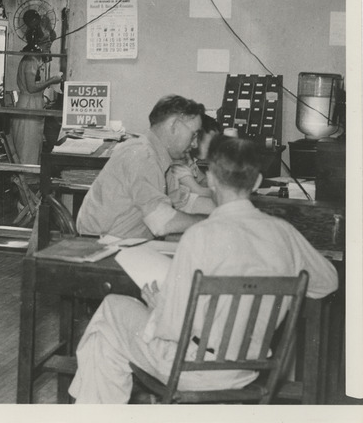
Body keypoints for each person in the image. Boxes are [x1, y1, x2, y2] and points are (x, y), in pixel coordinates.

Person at [69, 135, 339, 404]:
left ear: (210, 180)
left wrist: (159, 305)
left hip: (190, 367)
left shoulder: (199, 236)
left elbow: (172, 327)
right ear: (257, 182)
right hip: (246, 369)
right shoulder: (284, 233)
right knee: (105, 339)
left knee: (110, 312)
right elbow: (328, 282)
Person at [76, 95, 210, 239]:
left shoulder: (159, 156)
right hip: (100, 246)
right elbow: (162, 222)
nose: (195, 144)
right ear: (174, 126)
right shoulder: (143, 157)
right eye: (194, 135)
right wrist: (212, 220)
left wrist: (229, 208)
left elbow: (182, 201)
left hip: (122, 243)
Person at [11, 22, 63, 167]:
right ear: (37, 42)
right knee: (27, 146)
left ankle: (30, 178)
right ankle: (27, 180)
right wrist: (52, 80)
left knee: (33, 144)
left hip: (33, 104)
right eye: (45, 42)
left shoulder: (35, 59)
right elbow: (32, 87)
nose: (48, 45)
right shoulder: (30, 61)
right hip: (28, 105)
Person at [165, 113, 221, 213]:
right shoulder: (178, 163)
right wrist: (226, 192)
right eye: (211, 143)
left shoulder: (190, 159)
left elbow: (202, 179)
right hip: (179, 205)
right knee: (219, 208)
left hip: (190, 199)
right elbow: (198, 190)